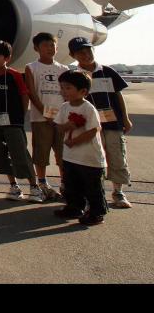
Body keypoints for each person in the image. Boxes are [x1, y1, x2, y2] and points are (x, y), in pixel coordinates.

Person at [69, 36, 133, 208]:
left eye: (88, 50)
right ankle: (94, 194)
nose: (86, 55)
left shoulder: (108, 71)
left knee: (117, 155)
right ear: (72, 55)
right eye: (80, 52)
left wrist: (125, 118)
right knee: (92, 159)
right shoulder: (74, 77)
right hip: (89, 126)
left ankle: (118, 192)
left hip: (112, 123)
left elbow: (118, 95)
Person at [0, 40, 43, 202]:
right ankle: (14, 186)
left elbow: (24, 95)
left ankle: (34, 187)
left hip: (13, 122)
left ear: (7, 58)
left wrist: (20, 116)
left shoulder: (15, 75)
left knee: (20, 153)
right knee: (2, 155)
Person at [53, 69, 108, 225]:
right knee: (72, 185)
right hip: (71, 157)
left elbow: (93, 130)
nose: (64, 91)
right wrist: (67, 126)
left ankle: (97, 213)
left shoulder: (88, 108)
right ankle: (74, 207)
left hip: (89, 158)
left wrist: (75, 141)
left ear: (83, 91)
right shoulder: (65, 107)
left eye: (68, 88)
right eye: (62, 87)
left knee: (93, 188)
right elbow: (58, 127)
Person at [24, 32, 68, 200]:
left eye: (52, 45)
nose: (50, 48)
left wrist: (61, 115)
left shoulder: (63, 69)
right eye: (45, 45)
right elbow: (32, 92)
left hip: (61, 118)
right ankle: (42, 183)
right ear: (36, 48)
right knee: (41, 153)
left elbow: (66, 94)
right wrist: (45, 112)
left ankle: (65, 183)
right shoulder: (32, 67)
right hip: (41, 118)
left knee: (63, 153)